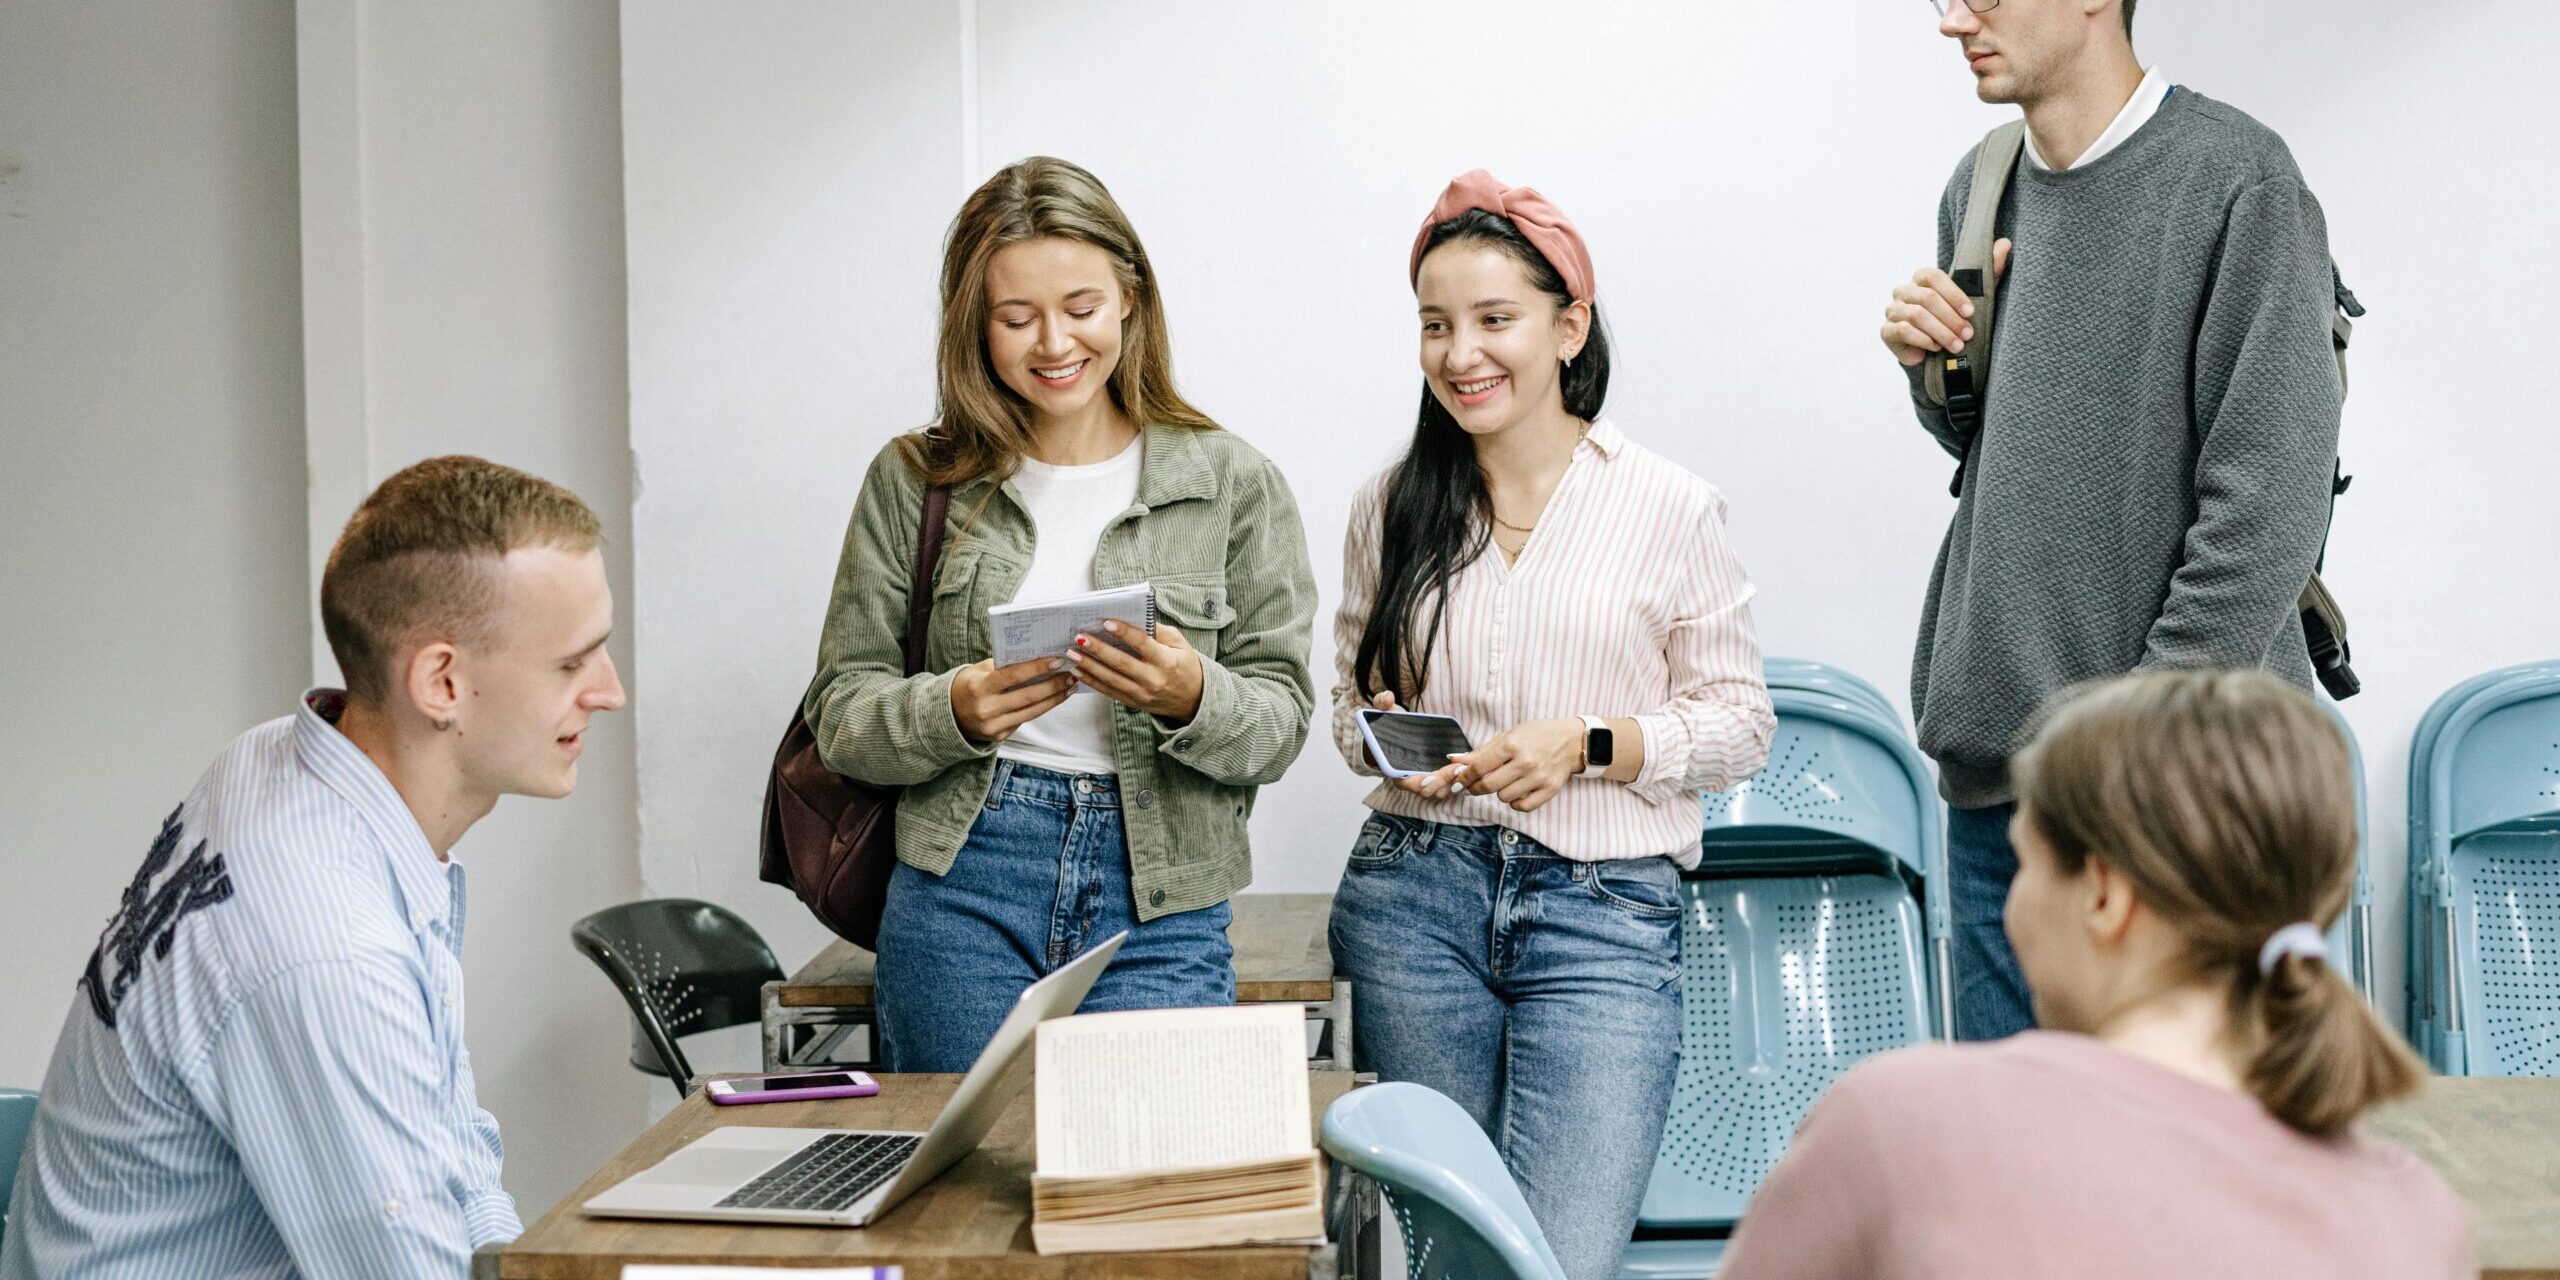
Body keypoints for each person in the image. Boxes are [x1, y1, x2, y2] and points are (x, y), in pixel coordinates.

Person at [1, 456, 627, 1279]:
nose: (609, 691)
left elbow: (454, 1163)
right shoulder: (325, 947)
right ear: (442, 682)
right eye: (571, 664)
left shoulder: (280, 759)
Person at [1326, 169, 1775, 1280]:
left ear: (1568, 326)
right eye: (1435, 325)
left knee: (1557, 1259)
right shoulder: (1391, 504)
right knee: (1451, 1257)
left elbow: (1739, 723)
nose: (1458, 353)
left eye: (1493, 320)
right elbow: (1343, 710)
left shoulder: (1669, 504)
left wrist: (1590, 741)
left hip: (1606, 912)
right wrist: (1380, 732)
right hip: (1410, 897)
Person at [1881, 0, 2350, 1039]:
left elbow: (2267, 503)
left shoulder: (2239, 181)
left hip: (2179, 794)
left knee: (2195, 1168)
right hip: (2000, 780)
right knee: (2023, 1165)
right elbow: (2016, 457)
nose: (1953, 18)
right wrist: (1936, 376)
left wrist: (2131, 754)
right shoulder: (1981, 185)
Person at [805, 156, 1319, 1073]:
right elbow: (842, 714)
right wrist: (953, 710)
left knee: (1143, 1191)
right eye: (1016, 318)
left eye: (1080, 307)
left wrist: (1192, 694)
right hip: (963, 880)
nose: (1053, 344)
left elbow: (1281, 726)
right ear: (974, 325)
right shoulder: (914, 482)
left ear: (1130, 297)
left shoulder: (1233, 483)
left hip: (1162, 893)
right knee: (956, 1194)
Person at [1720, 669, 2473, 1279]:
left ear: (2105, 895)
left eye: (2028, 864)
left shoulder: (1900, 1123)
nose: (2011, 907)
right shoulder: (2417, 1216)